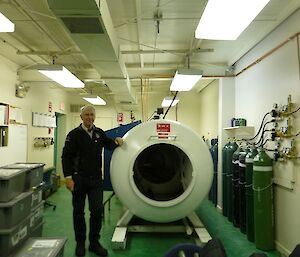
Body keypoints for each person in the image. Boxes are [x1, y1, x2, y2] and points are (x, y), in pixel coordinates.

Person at [62, 105, 123, 257]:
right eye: (87, 115)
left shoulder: (99, 133)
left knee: (96, 212)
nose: (89, 117)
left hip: (96, 180)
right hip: (78, 180)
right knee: (78, 213)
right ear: (81, 117)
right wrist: (68, 178)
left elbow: (109, 144)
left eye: (92, 115)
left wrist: (117, 141)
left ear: (94, 117)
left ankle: (94, 243)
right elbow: (66, 157)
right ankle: (80, 244)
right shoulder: (74, 135)